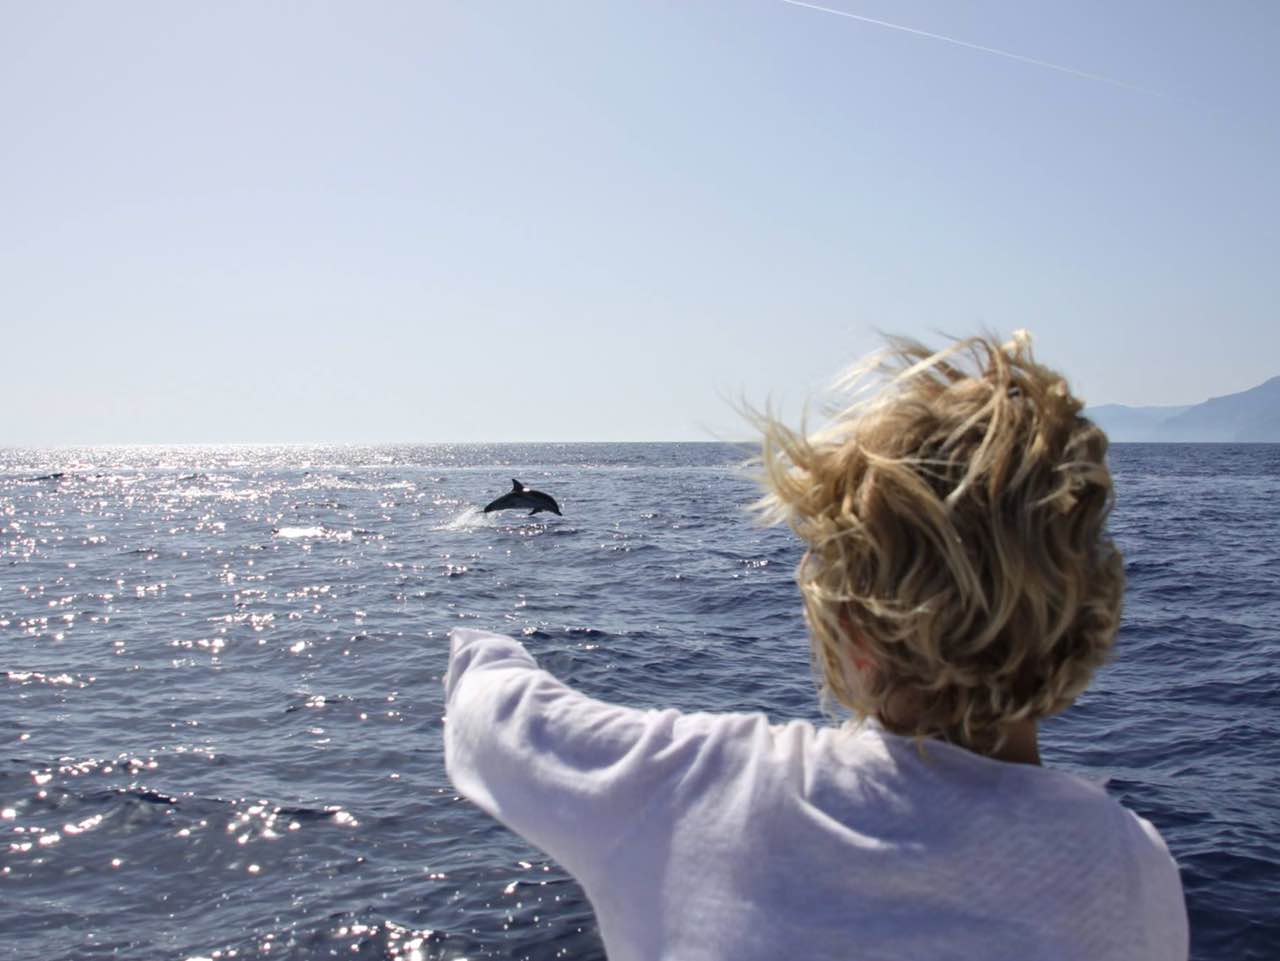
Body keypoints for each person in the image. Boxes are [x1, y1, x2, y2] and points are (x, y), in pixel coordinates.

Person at [443, 332, 1189, 960]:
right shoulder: (1134, 866)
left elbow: (491, 720)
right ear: (1091, 624)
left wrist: (477, 643)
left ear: (851, 629)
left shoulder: (697, 787)